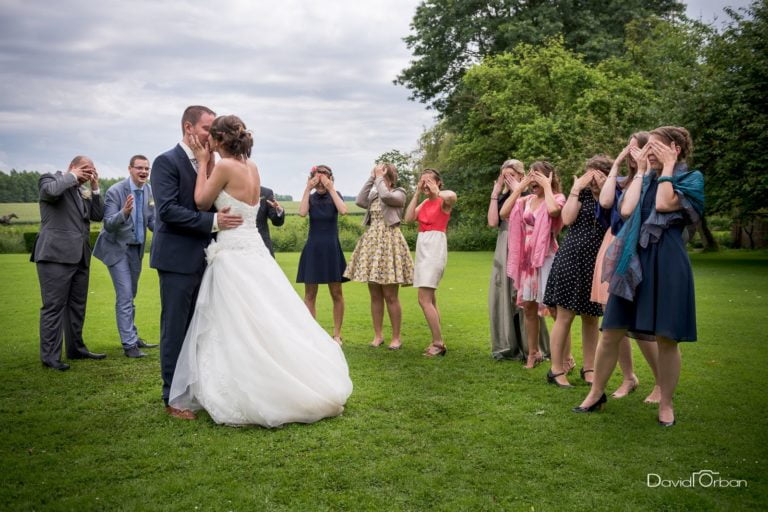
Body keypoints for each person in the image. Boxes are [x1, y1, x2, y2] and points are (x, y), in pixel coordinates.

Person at [169, 115, 352, 427]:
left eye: (211, 136)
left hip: (233, 252)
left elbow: (200, 202)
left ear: (219, 139)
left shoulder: (224, 167)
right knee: (267, 313)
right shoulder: (252, 167)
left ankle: (251, 383)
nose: (207, 141)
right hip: (254, 248)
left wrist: (202, 162)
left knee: (237, 319)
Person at [574, 126, 704, 427]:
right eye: (648, 148)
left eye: (654, 147)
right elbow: (626, 208)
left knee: (667, 336)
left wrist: (668, 168)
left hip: (667, 261)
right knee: (611, 330)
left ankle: (666, 403)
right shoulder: (644, 178)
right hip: (632, 260)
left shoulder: (691, 179)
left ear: (675, 149)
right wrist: (643, 172)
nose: (647, 153)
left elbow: (664, 204)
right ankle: (596, 393)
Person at [150, 105, 244, 420]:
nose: (212, 134)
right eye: (207, 128)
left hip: (209, 259)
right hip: (177, 259)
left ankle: (197, 390)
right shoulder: (166, 162)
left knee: (200, 329)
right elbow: (168, 211)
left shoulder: (212, 163)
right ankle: (172, 398)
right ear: (188, 128)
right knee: (175, 329)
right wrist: (214, 222)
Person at [594, 134, 660, 402]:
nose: (632, 153)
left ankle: (661, 382)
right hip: (613, 246)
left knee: (640, 323)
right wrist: (616, 163)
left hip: (637, 248)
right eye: (628, 148)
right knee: (613, 319)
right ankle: (628, 376)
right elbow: (605, 202)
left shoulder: (653, 181)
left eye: (637, 148)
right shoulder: (622, 181)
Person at [542, 156, 611, 388]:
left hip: (597, 261)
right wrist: (575, 189)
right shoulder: (581, 194)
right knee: (565, 315)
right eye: (588, 174)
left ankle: (589, 368)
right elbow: (567, 218)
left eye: (596, 174)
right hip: (571, 258)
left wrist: (604, 189)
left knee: (591, 318)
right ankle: (556, 369)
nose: (591, 179)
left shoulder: (613, 195)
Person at [31, 155, 105, 371]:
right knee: (53, 306)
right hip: (55, 255)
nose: (88, 173)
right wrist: (73, 176)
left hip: (80, 256)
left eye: (91, 170)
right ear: (72, 167)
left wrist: (95, 188)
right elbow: (50, 193)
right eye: (85, 169)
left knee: (77, 306)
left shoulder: (82, 191)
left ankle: (76, 349)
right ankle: (50, 357)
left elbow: (97, 215)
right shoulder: (50, 180)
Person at [500, 161, 566, 369]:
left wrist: (547, 186)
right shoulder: (526, 200)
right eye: (531, 176)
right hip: (526, 259)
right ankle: (533, 353)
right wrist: (519, 188)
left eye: (538, 176)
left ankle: (566, 357)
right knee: (528, 307)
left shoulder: (557, 198)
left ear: (549, 177)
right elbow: (504, 213)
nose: (533, 180)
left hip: (546, 257)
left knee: (554, 308)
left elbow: (554, 212)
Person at [344, 164, 414, 350]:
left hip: (390, 243)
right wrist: (371, 178)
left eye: (381, 176)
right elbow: (360, 200)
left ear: (388, 177)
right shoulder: (374, 195)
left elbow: (386, 196)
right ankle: (378, 335)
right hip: (372, 243)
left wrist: (379, 178)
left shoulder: (399, 193)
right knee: (375, 294)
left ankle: (396, 337)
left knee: (390, 295)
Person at [93, 155, 157, 358]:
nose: (144, 172)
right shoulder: (115, 191)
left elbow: (152, 221)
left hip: (137, 250)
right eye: (139, 168)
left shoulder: (149, 191)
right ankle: (129, 345)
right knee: (125, 295)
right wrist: (124, 213)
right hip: (117, 249)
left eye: (146, 168)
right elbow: (108, 224)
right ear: (130, 169)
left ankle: (133, 335)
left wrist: (168, 231)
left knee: (131, 294)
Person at [487, 159, 550, 361]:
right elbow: (493, 221)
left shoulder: (529, 195)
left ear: (522, 176)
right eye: (504, 175)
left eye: (511, 175)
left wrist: (519, 188)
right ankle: (509, 345)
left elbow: (530, 218)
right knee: (504, 294)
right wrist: (495, 192)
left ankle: (533, 347)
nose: (507, 179)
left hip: (522, 244)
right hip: (503, 246)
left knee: (525, 297)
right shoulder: (503, 197)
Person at [296, 165, 348, 344]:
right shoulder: (310, 198)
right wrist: (307, 188)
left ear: (330, 178)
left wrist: (331, 188)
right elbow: (302, 213)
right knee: (310, 294)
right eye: (317, 179)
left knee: (337, 293)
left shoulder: (335, 194)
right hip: (313, 249)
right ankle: (312, 334)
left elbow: (343, 210)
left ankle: (337, 334)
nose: (320, 183)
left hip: (331, 249)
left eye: (324, 179)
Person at [256, 185, 285, 257]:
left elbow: (277, 222)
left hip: (263, 244)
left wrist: (279, 212)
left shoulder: (266, 192)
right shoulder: (231, 190)